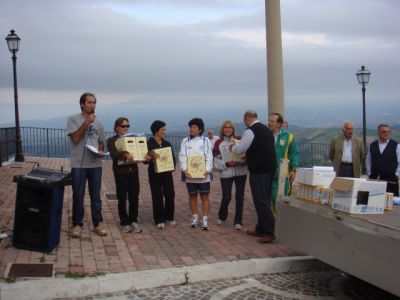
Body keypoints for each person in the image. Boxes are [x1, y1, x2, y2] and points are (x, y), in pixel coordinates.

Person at [231, 110, 276, 243]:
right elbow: (261, 148)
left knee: (261, 200)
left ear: (246, 118)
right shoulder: (266, 129)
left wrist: (232, 147)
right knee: (264, 199)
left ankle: (269, 231)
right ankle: (260, 229)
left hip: (259, 170)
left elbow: (241, 149)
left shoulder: (250, 131)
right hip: (269, 169)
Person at [67, 92, 107, 238]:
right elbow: (76, 139)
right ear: (82, 104)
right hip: (79, 164)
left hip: (95, 164)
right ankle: (77, 224)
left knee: (96, 196)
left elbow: (102, 141)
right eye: (90, 102)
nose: (92, 105)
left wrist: (101, 151)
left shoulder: (99, 123)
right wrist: (86, 123)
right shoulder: (73, 119)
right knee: (78, 195)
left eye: (94, 103)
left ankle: (98, 223)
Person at [107, 117, 144, 233]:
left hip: (133, 171)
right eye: (123, 126)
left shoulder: (133, 138)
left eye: (128, 126)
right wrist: (125, 154)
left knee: (134, 197)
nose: (126, 128)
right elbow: (113, 154)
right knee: (122, 197)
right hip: (120, 173)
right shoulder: (112, 140)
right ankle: (124, 221)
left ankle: (133, 220)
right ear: (117, 127)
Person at [179, 118, 213, 230]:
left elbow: (209, 156)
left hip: (204, 175)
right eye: (190, 127)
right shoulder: (185, 141)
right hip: (190, 175)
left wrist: (207, 170)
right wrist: (184, 169)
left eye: (194, 127)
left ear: (200, 129)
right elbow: (182, 156)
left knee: (205, 196)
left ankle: (205, 219)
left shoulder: (206, 140)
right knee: (192, 196)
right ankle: (194, 217)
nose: (191, 129)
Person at [213, 120, 248, 230]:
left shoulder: (240, 140)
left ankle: (238, 221)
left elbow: (247, 155)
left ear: (233, 129)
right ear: (222, 130)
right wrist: (227, 163)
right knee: (226, 196)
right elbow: (215, 160)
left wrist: (243, 161)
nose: (228, 129)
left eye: (230, 127)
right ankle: (222, 216)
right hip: (226, 172)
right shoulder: (218, 142)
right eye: (226, 127)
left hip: (241, 172)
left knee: (240, 197)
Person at [147, 120, 177, 229]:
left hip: (167, 173)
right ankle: (159, 219)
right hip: (154, 173)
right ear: (156, 131)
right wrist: (151, 156)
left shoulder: (167, 143)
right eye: (162, 130)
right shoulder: (148, 143)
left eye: (164, 129)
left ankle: (169, 217)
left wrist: (173, 166)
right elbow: (145, 160)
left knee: (170, 194)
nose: (164, 132)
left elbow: (173, 158)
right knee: (157, 196)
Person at [268, 113, 299, 213]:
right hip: (267, 172)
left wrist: (293, 169)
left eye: (271, 121)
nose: (269, 123)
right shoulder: (265, 134)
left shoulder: (288, 136)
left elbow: (294, 153)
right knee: (269, 197)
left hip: (282, 172)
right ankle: (270, 223)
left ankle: (279, 222)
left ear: (279, 124)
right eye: (268, 121)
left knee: (281, 197)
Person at [366, 123, 400, 196]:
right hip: (375, 178)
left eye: (388, 132)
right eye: (384, 132)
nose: (386, 133)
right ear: (379, 133)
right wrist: (369, 173)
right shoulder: (372, 145)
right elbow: (368, 160)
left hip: (391, 179)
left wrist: (397, 174)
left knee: (391, 202)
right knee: (374, 199)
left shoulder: (396, 145)